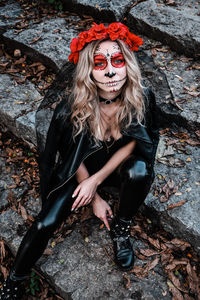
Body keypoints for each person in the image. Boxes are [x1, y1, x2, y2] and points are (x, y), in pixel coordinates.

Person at [0, 22, 159, 299]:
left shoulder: (141, 97)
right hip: (80, 168)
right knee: (44, 223)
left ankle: (121, 227)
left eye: (118, 60)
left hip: (116, 166)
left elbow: (137, 141)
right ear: (89, 70)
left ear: (127, 63)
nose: (110, 70)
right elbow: (67, 153)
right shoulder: (72, 106)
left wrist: (97, 183)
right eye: (99, 63)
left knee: (140, 171)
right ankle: (14, 280)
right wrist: (92, 192)